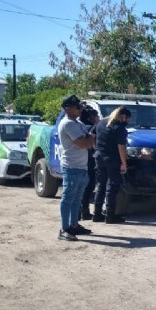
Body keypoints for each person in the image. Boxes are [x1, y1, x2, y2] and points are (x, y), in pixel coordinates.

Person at [57, 94, 96, 241]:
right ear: (68, 108)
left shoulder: (77, 123)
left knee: (77, 198)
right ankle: (64, 228)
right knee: (68, 198)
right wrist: (90, 138)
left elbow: (89, 140)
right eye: (77, 106)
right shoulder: (68, 124)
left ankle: (74, 225)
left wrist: (89, 138)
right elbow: (85, 143)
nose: (80, 109)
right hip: (71, 166)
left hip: (81, 166)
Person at [92, 106, 130, 224]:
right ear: (123, 116)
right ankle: (110, 215)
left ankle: (97, 214)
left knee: (101, 186)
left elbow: (92, 135)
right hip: (112, 159)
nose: (127, 122)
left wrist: (96, 148)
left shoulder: (101, 123)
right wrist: (124, 163)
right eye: (128, 119)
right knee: (112, 187)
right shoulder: (119, 128)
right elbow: (121, 147)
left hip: (99, 157)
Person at [79, 105, 100, 221]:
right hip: (89, 160)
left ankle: (82, 212)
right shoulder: (91, 128)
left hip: (82, 160)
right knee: (89, 186)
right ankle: (84, 212)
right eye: (97, 116)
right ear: (91, 117)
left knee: (83, 187)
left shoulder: (81, 127)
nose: (98, 119)